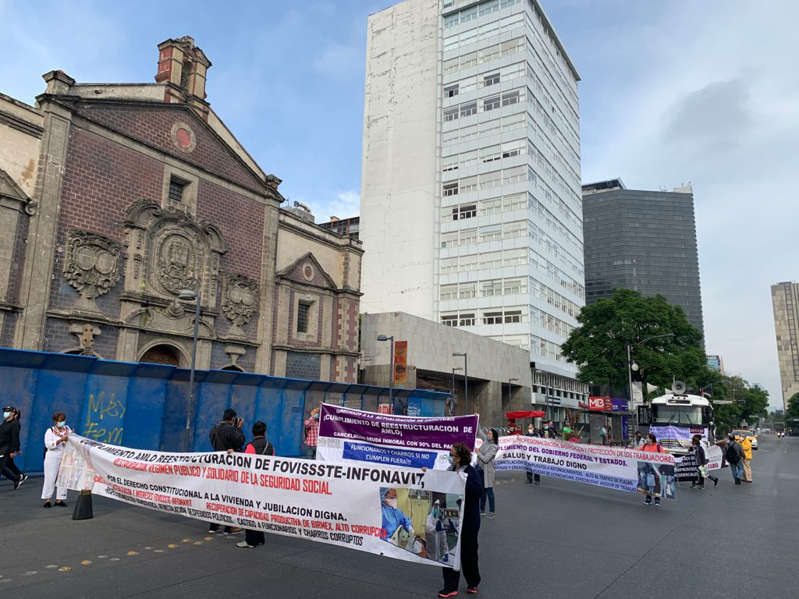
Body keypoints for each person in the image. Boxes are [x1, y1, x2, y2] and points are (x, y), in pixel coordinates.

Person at [439, 443, 483, 598]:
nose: (450, 456)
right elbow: (440, 483)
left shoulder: (471, 472)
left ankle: (473, 582)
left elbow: (478, 491)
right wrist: (428, 474)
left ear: (459, 457)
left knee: (468, 552)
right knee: (449, 550)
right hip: (450, 518)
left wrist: (463, 481)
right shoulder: (450, 470)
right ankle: (450, 586)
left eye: (452, 454)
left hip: (469, 520)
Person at [237, 421, 274, 548]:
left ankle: (251, 540)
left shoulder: (250, 446)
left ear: (253, 432)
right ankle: (260, 538)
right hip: (264, 483)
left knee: (250, 511)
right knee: (260, 510)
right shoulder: (270, 446)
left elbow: (247, 465)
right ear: (265, 432)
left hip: (252, 483)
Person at [208, 409, 245, 534]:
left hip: (217, 465)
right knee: (230, 496)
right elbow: (240, 441)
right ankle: (229, 527)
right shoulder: (231, 429)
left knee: (217, 496)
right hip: (230, 467)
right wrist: (238, 428)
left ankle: (214, 525)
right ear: (233, 419)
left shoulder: (214, 428)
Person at [41, 412, 71, 507]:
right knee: (50, 478)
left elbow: (72, 440)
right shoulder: (50, 431)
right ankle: (47, 499)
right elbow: (49, 445)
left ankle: (60, 499)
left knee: (63, 477)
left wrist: (71, 437)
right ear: (55, 421)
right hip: (52, 456)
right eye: (59, 420)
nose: (61, 422)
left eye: (63, 420)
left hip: (65, 455)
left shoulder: (67, 429)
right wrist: (60, 440)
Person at [0, 406, 27, 489]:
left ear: (13, 413)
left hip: (6, 448)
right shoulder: (5, 422)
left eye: (8, 411)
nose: (5, 413)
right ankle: (20, 475)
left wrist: (13, 450)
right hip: (1, 446)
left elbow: (15, 437)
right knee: (9, 464)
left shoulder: (14, 424)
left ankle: (16, 478)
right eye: (5, 411)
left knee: (1, 466)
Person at [477, 428, 498, 518]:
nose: (488, 435)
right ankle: (482, 510)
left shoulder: (494, 447)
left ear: (494, 436)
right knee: (482, 491)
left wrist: (478, 453)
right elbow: (479, 431)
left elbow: (486, 459)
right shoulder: (485, 440)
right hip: (480, 470)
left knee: (489, 491)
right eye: (488, 433)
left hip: (488, 472)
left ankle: (492, 512)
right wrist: (476, 418)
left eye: (490, 433)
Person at [641, 433, 664, 506]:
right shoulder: (645, 446)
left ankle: (657, 499)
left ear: (651, 439)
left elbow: (663, 456)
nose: (646, 439)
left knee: (656, 483)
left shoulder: (658, 446)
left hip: (656, 468)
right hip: (647, 467)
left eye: (647, 438)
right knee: (648, 483)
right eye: (646, 438)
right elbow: (637, 452)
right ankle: (648, 498)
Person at [425, 499, 449, 563]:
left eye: (437, 506)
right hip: (429, 555)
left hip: (438, 557)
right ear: (432, 507)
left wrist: (445, 552)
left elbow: (443, 539)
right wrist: (435, 529)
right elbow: (427, 529)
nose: (436, 508)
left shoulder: (439, 522)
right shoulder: (428, 518)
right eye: (435, 506)